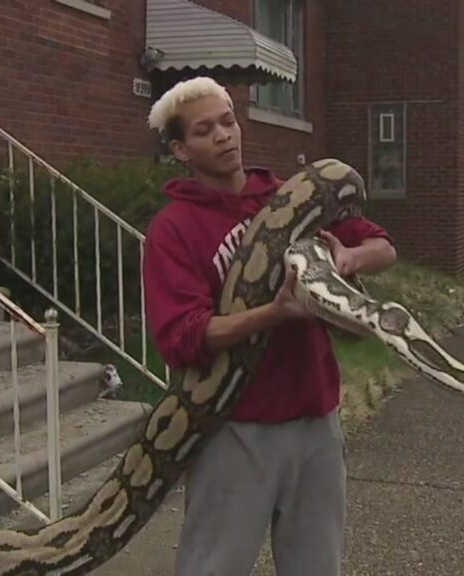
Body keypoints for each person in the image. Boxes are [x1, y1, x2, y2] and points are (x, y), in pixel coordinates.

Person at [142, 77, 397, 576]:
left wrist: (348, 258)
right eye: (204, 130)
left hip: (315, 419)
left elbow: (383, 246)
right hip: (234, 429)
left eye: (228, 121)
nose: (224, 135)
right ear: (180, 149)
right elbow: (183, 338)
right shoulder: (173, 229)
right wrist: (275, 312)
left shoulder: (289, 198)